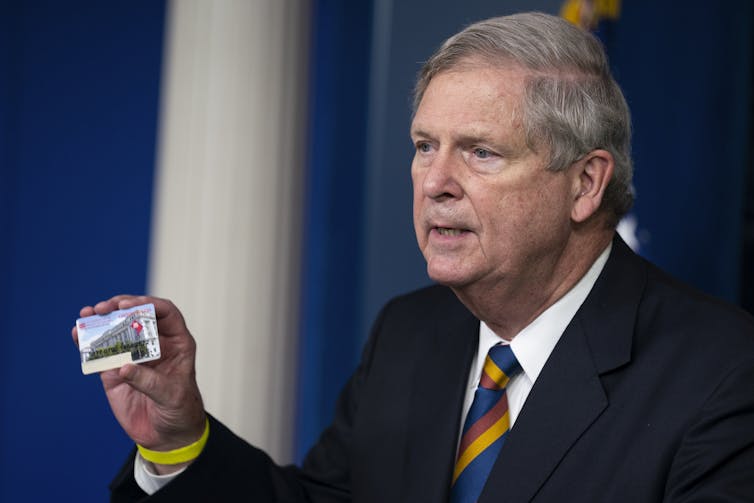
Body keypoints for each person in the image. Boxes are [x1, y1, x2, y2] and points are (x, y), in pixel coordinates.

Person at [74, 12, 754, 502]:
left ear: (584, 184)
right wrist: (178, 439)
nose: (435, 181)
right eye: (424, 145)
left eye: (480, 151)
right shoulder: (409, 332)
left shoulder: (723, 372)